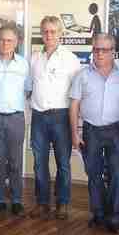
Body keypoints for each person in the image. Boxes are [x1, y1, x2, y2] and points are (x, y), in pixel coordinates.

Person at [70, 33, 119, 233]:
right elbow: (74, 105)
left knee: (117, 174)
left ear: (113, 52)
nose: (99, 53)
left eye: (104, 50)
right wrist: (75, 134)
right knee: (93, 174)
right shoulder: (82, 75)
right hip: (91, 130)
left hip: (116, 130)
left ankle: (114, 216)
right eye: (96, 49)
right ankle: (99, 214)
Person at [30, 16, 82, 220]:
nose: (48, 35)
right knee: (39, 162)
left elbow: (77, 94)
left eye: (53, 31)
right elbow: (29, 88)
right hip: (38, 116)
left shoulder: (71, 59)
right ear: (41, 33)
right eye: (45, 31)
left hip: (61, 116)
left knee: (63, 162)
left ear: (61, 34)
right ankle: (42, 203)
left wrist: (75, 124)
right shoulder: (34, 58)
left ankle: (63, 203)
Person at [0, 25, 31, 217]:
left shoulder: (23, 65)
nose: (5, 44)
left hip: (16, 118)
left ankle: (17, 200)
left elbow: (27, 90)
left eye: (9, 40)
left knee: (16, 162)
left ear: (16, 43)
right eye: (1, 40)